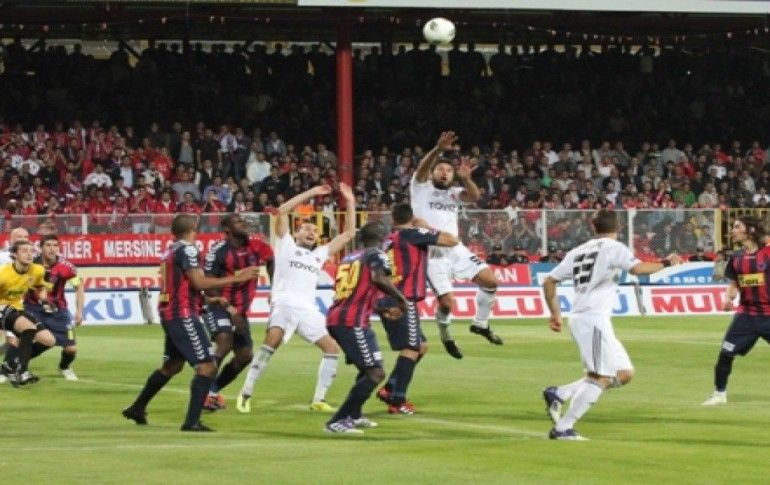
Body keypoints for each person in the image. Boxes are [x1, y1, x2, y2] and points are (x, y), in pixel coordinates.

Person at [541, 209, 682, 440]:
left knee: (624, 373)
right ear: (619, 227)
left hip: (588, 318)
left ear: (592, 226)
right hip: (592, 318)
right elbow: (638, 269)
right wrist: (668, 262)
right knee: (601, 377)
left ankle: (560, 393)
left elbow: (549, 281)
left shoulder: (578, 250)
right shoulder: (613, 247)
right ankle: (563, 428)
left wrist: (555, 314)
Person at [122, 214, 260, 432]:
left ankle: (137, 408)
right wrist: (236, 277)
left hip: (172, 311)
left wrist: (210, 300)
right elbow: (199, 281)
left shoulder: (170, 250)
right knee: (207, 366)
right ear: (193, 229)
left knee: (172, 366)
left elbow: (183, 286)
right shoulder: (188, 250)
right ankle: (192, 422)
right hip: (183, 314)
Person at [236, 183, 356, 413]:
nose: (311, 232)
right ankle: (246, 392)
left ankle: (319, 399)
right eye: (306, 229)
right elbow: (282, 211)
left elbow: (349, 234)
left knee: (332, 348)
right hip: (283, 304)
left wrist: (350, 202)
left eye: (315, 231)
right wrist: (312, 193)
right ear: (297, 233)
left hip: (308, 310)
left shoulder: (320, 255)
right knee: (271, 343)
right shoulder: (286, 244)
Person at [410, 131, 503, 359]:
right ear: (433, 172)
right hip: (431, 252)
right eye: (440, 169)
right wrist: (438, 150)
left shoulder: (454, 193)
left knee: (491, 281)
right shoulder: (420, 187)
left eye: (449, 171)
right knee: (447, 303)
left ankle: (480, 323)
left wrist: (466, 179)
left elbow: (474, 197)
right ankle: (446, 336)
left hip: (455, 248)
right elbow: (422, 169)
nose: (444, 173)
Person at [324, 222, 409, 434]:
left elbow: (353, 290)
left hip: (343, 317)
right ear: (383, 237)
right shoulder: (376, 254)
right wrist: (402, 300)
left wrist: (380, 309)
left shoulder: (349, 257)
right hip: (351, 321)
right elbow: (378, 278)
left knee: (367, 369)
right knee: (375, 373)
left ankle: (354, 415)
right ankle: (337, 421)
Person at [375, 203, 458, 415]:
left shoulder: (387, 240)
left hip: (385, 296)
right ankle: (398, 400)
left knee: (420, 346)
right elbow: (452, 240)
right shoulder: (413, 234)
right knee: (412, 348)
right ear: (412, 219)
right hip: (403, 298)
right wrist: (426, 226)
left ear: (393, 220)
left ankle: (390, 388)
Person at [202, 214, 275, 411]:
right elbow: (208, 285)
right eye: (237, 221)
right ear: (227, 230)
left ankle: (212, 391)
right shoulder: (217, 251)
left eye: (243, 220)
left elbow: (271, 261)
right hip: (218, 305)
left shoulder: (257, 245)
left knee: (245, 356)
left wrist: (274, 288)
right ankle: (202, 392)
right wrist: (230, 309)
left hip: (240, 311)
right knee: (224, 342)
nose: (243, 223)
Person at [702, 216, 770, 406]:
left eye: (737, 226)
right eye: (732, 226)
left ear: (751, 230)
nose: (732, 230)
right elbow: (734, 283)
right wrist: (728, 298)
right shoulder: (736, 257)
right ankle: (719, 394)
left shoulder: (768, 252)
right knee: (726, 353)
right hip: (746, 317)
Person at [23, 234, 85, 380]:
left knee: (71, 349)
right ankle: (17, 365)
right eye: (48, 245)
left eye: (55, 245)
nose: (52, 249)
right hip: (33, 308)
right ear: (41, 247)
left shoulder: (66, 267)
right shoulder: (31, 264)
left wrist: (79, 311)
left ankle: (64, 367)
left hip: (59, 311)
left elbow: (79, 286)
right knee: (41, 340)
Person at [0, 240, 57, 386]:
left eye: (31, 251)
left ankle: (10, 365)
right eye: (24, 251)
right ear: (15, 254)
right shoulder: (3, 274)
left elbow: (39, 286)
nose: (29, 254)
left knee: (49, 341)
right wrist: (6, 330)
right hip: (1, 308)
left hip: (17, 308)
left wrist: (44, 301)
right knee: (29, 329)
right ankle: (22, 372)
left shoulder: (37, 270)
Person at [0, 227, 29, 384]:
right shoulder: (2, 257)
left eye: (25, 236)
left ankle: (7, 369)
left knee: (17, 338)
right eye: (19, 236)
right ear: (11, 239)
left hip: (16, 306)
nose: (23, 239)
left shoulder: (30, 258)